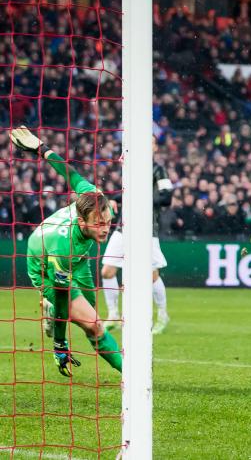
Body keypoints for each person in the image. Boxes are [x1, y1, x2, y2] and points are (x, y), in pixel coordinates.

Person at [11, 126, 122, 376]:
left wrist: (42, 148)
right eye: (99, 223)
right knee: (93, 325)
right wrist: (60, 344)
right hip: (43, 263)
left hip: (78, 257)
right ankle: (134, 376)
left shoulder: (94, 197)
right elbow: (63, 294)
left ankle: (55, 311)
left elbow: (70, 173)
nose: (105, 229)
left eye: (107, 222)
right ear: (82, 222)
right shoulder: (65, 248)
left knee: (91, 308)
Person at [101, 136, 174, 334]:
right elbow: (126, 193)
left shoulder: (158, 170)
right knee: (107, 271)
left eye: (150, 141)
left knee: (151, 275)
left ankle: (162, 314)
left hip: (146, 228)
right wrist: (115, 199)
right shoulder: (130, 168)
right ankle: (114, 314)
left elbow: (167, 198)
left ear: (155, 147)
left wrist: (140, 197)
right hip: (123, 227)